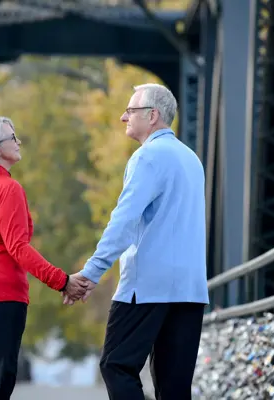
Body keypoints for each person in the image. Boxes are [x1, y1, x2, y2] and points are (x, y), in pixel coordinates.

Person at [64, 83, 209, 400]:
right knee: (175, 386)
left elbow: (124, 221)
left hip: (147, 286)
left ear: (152, 115)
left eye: (130, 111)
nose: (122, 117)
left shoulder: (148, 158)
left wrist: (91, 272)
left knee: (117, 365)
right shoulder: (191, 160)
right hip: (190, 287)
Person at [0, 116, 88, 400]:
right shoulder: (8, 188)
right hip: (2, 297)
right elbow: (18, 247)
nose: (18, 141)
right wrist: (62, 281)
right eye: (13, 137)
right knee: (0, 379)